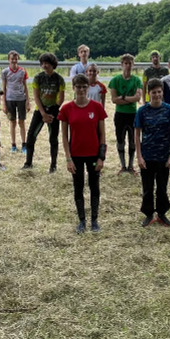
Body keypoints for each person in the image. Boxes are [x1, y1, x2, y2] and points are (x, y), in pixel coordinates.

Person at [59, 74, 108, 233]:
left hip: (93, 154)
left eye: (84, 86)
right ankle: (82, 220)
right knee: (78, 187)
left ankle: (94, 220)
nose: (81, 90)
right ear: (73, 88)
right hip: (76, 155)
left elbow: (102, 134)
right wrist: (68, 158)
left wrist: (101, 157)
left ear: (88, 88)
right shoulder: (66, 109)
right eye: (78, 86)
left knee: (94, 186)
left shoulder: (97, 107)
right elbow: (65, 137)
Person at [134, 78, 170, 227]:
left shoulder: (169, 110)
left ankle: (162, 213)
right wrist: (139, 156)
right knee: (147, 188)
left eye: (159, 92)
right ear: (149, 94)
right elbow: (137, 134)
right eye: (154, 92)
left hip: (163, 156)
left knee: (162, 188)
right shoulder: (142, 111)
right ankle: (148, 214)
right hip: (147, 156)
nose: (157, 95)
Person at [22, 53, 66, 173]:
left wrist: (53, 111)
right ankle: (28, 163)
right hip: (39, 110)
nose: (44, 65)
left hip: (53, 110)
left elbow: (61, 98)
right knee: (31, 136)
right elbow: (36, 97)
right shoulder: (38, 78)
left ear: (53, 64)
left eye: (47, 63)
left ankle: (53, 165)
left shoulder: (59, 79)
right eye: (42, 63)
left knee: (53, 138)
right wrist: (43, 113)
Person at [109, 54, 143, 174]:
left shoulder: (137, 80)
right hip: (120, 114)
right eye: (126, 63)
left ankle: (131, 165)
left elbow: (137, 98)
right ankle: (123, 165)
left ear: (133, 65)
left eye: (130, 63)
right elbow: (113, 99)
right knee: (120, 140)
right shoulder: (115, 80)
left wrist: (122, 97)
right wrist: (130, 98)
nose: (128, 66)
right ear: (122, 65)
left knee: (133, 140)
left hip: (133, 114)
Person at [1, 50, 31, 154]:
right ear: (8, 60)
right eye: (12, 59)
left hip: (21, 99)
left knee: (21, 122)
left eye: (15, 58)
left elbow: (25, 87)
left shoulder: (22, 71)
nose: (14, 60)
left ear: (18, 59)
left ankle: (24, 144)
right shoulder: (5, 72)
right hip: (10, 99)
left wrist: (28, 101)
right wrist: (3, 103)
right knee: (12, 122)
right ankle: (13, 144)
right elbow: (3, 88)